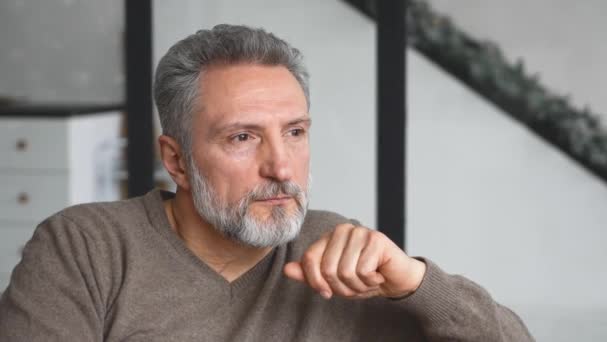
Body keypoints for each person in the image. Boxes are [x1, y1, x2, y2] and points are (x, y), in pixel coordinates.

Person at [0, 24, 533, 341]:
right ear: (177, 160)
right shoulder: (85, 248)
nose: (282, 166)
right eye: (242, 138)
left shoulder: (340, 256)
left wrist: (415, 283)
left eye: (295, 132)